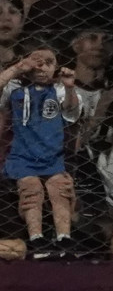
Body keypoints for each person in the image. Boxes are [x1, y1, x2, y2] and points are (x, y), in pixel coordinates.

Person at [0, 39, 80, 259]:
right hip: (23, 156)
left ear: (57, 66)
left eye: (48, 62)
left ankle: (64, 238)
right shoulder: (15, 89)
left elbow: (71, 112)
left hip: (52, 155)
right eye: (36, 61)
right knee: (31, 190)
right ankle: (37, 239)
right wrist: (17, 69)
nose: (42, 67)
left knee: (59, 190)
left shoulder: (59, 90)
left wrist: (70, 87)